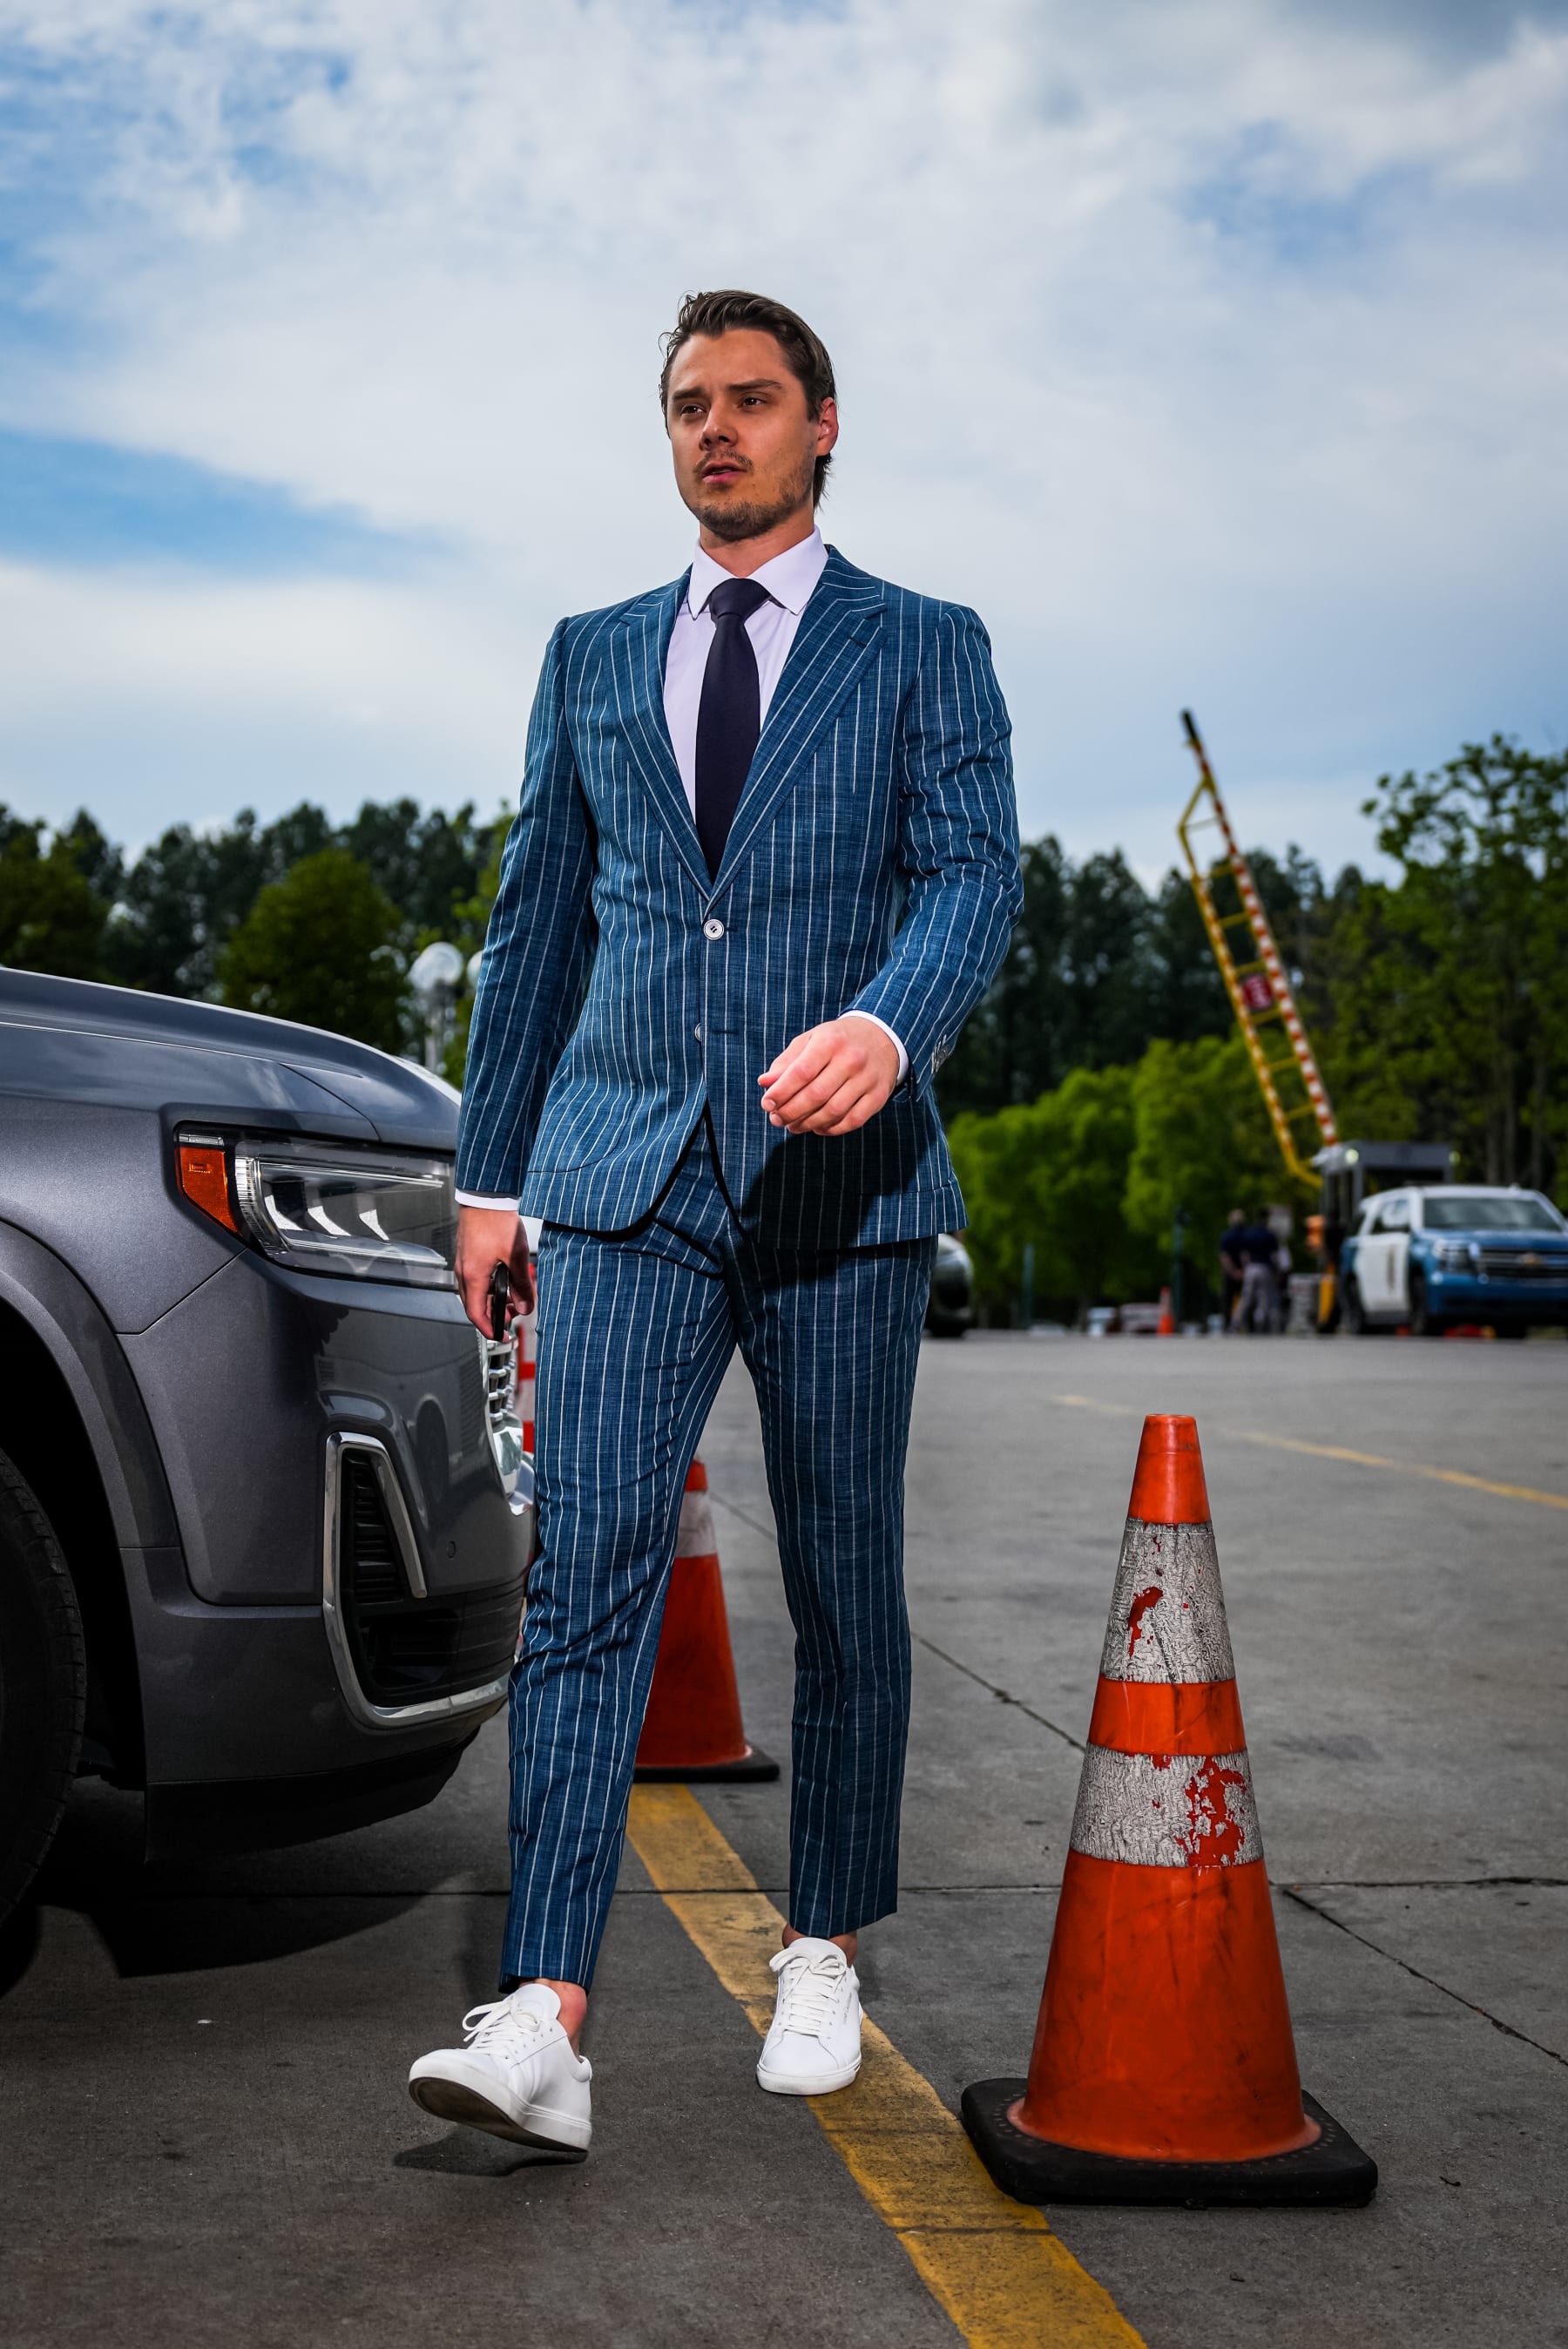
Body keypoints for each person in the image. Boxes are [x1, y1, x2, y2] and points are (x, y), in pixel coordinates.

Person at [407, 289, 1022, 2156]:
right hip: (620, 1177)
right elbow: (535, 927)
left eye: (752, 400)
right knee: (586, 1580)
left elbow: (976, 868)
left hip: (840, 1184)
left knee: (844, 1582)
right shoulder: (592, 654)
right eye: (688, 404)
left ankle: (822, 1940)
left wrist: (892, 1020)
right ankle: (544, 2012)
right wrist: (490, 1178)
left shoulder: (924, 644)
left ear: (824, 423)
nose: (717, 429)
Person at [1234, 1210, 1281, 1334]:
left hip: (1251, 1267)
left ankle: (1238, 1323)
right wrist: (1276, 1271)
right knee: (1264, 1298)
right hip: (1264, 1267)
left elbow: (1244, 1255)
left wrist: (1245, 1268)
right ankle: (1259, 1324)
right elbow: (1275, 1256)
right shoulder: (1270, 1235)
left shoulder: (1248, 1234)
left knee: (1247, 1297)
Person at [1219, 1207, 1246, 1330]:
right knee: (1245, 1300)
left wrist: (1233, 1271)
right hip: (1244, 1273)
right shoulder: (1247, 1235)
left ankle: (1227, 1325)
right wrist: (1242, 1271)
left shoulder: (1226, 1236)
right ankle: (1245, 1324)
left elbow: (1224, 1257)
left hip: (1229, 1273)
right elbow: (1246, 1256)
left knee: (1227, 1300)